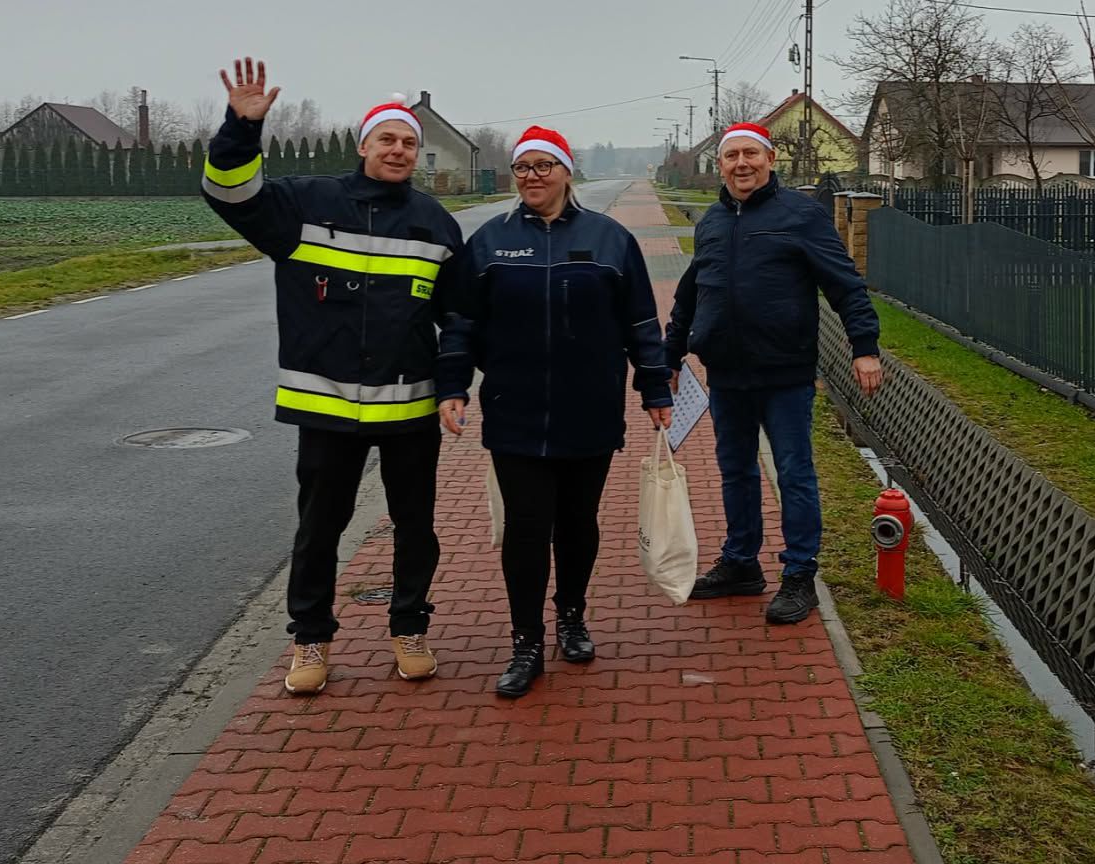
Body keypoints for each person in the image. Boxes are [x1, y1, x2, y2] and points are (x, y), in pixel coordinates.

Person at [202, 59, 467, 696]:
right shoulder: (305, 204)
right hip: (326, 408)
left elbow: (460, 317)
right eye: (387, 139)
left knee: (415, 527)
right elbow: (230, 193)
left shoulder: (435, 223)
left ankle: (410, 628)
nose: (398, 150)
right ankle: (311, 639)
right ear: (363, 146)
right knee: (320, 529)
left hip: (409, 409)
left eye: (408, 142)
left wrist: (455, 385)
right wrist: (242, 127)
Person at [438, 127, 673, 697]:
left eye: (544, 166)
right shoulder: (491, 241)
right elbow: (462, 323)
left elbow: (641, 322)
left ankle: (572, 617)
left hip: (589, 407)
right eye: (523, 167)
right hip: (514, 409)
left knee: (577, 522)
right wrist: (453, 385)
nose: (532, 177)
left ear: (568, 171)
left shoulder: (610, 239)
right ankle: (526, 642)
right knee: (525, 528)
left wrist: (655, 389)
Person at [664, 121, 882, 625]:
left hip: (785, 372)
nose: (741, 163)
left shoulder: (800, 215)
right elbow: (692, 292)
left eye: (751, 154)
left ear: (770, 159)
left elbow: (845, 284)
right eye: (731, 156)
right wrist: (670, 354)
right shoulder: (713, 219)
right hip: (727, 373)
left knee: (794, 473)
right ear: (720, 165)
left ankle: (799, 574)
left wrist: (864, 347)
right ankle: (741, 563)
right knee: (736, 471)